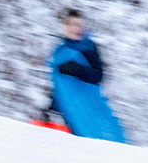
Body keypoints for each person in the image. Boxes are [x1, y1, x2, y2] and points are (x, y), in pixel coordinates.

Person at [44, 8, 125, 142]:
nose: (75, 28)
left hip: (90, 108)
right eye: (70, 24)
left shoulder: (88, 47)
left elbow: (98, 76)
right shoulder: (59, 51)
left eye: (78, 25)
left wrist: (75, 69)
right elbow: (60, 86)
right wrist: (51, 109)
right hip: (68, 112)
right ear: (62, 26)